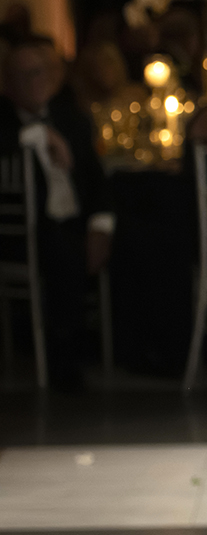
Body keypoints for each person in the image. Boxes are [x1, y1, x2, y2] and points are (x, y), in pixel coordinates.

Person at [0, 38, 113, 391]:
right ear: (7, 83)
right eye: (22, 75)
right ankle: (64, 354)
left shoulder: (72, 119)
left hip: (74, 220)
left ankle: (139, 350)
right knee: (62, 250)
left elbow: (96, 179)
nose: (32, 81)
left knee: (140, 237)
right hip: (24, 230)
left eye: (38, 72)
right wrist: (39, 134)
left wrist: (100, 227)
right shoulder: (3, 122)